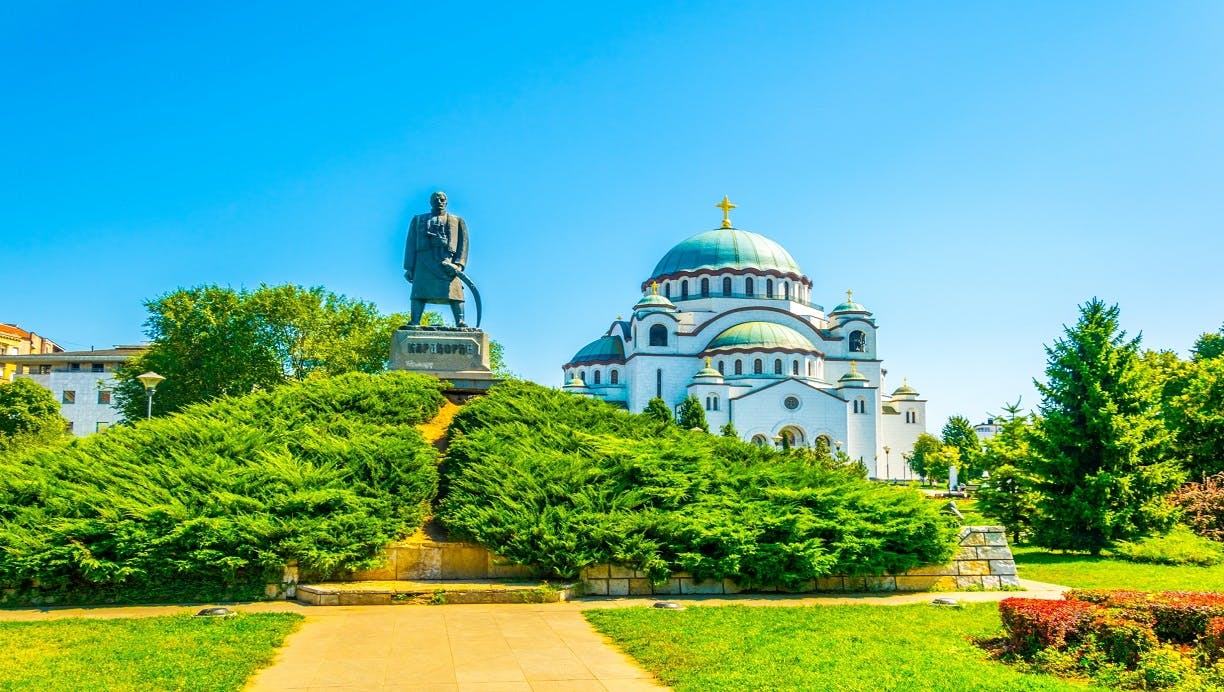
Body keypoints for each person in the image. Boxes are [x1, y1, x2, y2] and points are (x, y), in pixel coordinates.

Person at [404, 191, 468, 327]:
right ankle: (415, 320)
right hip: (423, 261)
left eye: (442, 199)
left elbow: (463, 245)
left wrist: (459, 266)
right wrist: (409, 267)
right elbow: (410, 244)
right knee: (419, 292)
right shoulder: (418, 220)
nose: (439, 201)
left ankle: (460, 321)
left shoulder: (457, 221)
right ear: (430, 202)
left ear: (446, 202)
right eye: (436, 199)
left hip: (448, 263)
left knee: (456, 292)